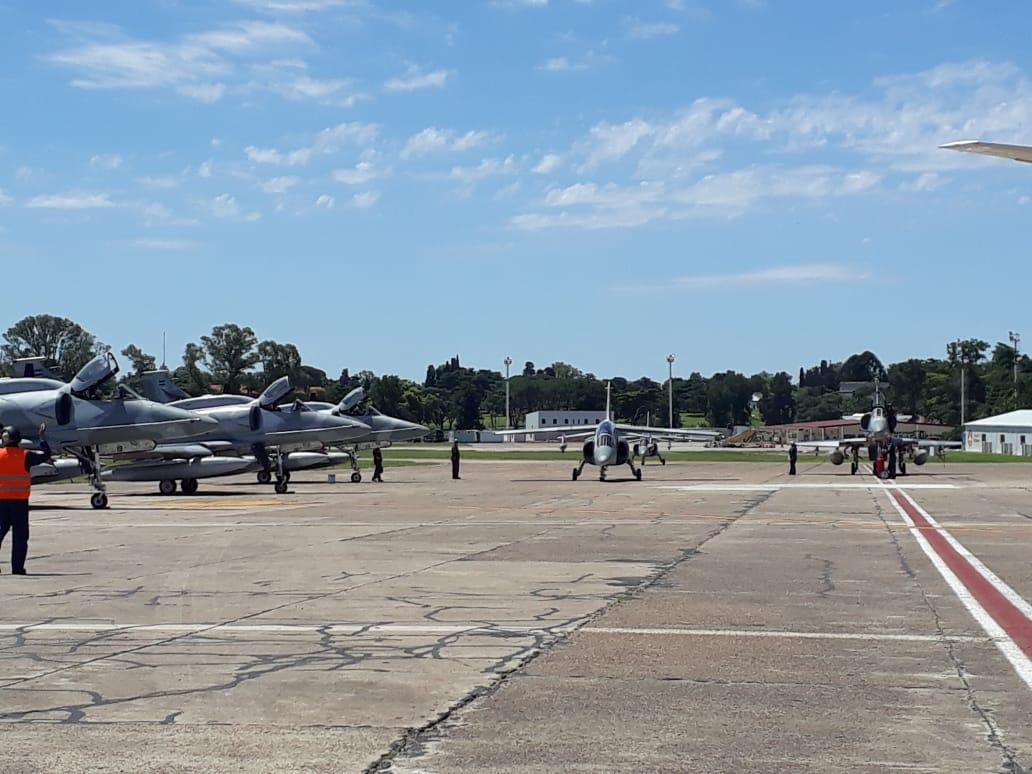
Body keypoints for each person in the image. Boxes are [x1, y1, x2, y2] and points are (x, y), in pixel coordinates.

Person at [0, 424, 51, 576]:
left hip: (1, 502)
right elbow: (45, 454)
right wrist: (42, 437)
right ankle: (17, 568)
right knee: (20, 536)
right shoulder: (25, 455)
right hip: (19, 503)